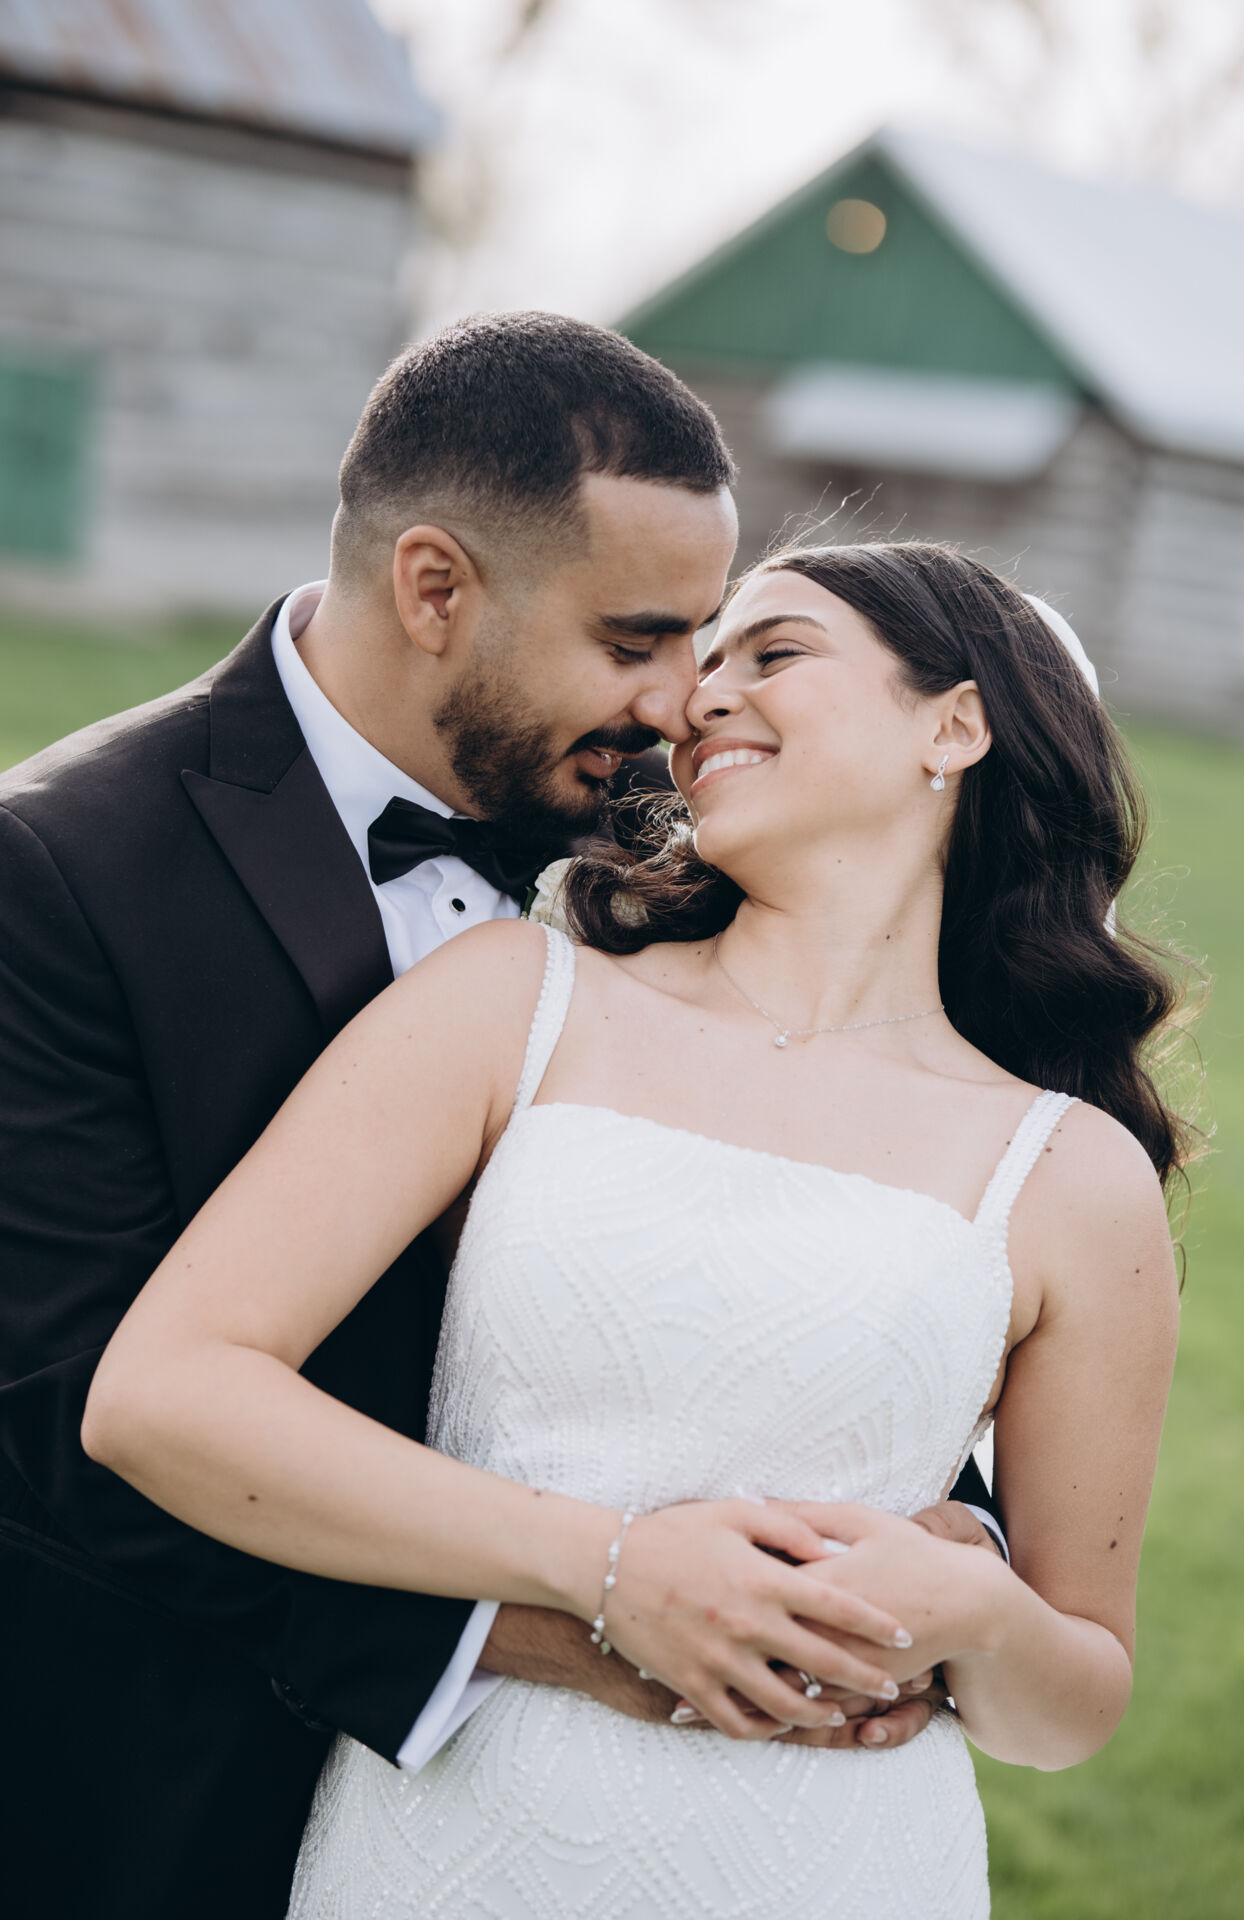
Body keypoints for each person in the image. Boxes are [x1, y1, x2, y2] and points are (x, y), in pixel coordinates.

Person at [0, 315, 961, 1920]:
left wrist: (942, 1526)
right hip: (170, 1780)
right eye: (638, 639)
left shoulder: (679, 837)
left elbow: (840, 1178)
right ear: (436, 588)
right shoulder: (59, 871)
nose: (682, 703)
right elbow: (66, 1422)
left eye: (707, 637)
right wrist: (563, 1630)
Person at [83, 538, 1187, 1917]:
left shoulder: (1071, 1174)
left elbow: (1072, 1706)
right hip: (453, 1846)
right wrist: (609, 1568)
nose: (701, 697)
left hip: (833, 1868)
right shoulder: (516, 1001)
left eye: (774, 653)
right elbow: (162, 1396)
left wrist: (973, 1612)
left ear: (953, 726)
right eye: (703, 662)